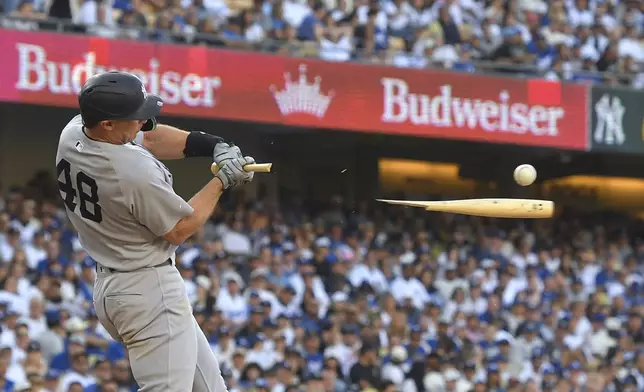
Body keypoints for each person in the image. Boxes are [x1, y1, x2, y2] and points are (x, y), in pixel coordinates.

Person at [55, 71, 256, 391]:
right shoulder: (131, 169)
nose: (143, 122)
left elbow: (150, 136)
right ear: (108, 124)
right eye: (135, 117)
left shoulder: (73, 132)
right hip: (146, 289)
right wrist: (222, 181)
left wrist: (213, 145)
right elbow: (180, 229)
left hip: (117, 282)